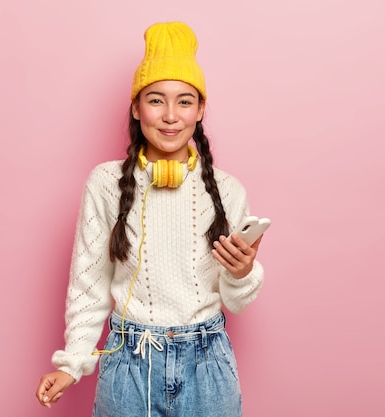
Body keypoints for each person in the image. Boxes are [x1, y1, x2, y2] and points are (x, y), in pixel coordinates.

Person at [35, 21, 265, 417]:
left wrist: (243, 273)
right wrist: (72, 363)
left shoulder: (227, 190)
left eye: (185, 101)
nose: (171, 116)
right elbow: (88, 283)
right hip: (129, 364)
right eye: (156, 100)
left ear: (201, 109)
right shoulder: (106, 184)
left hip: (207, 364)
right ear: (137, 108)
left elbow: (236, 302)